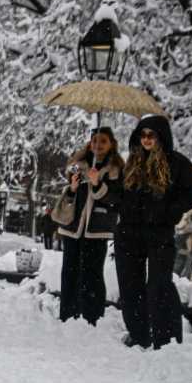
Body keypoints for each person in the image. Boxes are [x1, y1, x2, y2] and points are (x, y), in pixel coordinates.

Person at [115, 115, 192, 349]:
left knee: (159, 285)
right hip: (129, 233)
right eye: (142, 135)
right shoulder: (131, 163)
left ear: (161, 136)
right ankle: (139, 334)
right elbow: (118, 194)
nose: (146, 139)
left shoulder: (176, 163)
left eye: (150, 135)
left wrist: (170, 211)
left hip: (159, 233)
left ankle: (167, 339)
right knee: (130, 286)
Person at [55, 128, 123, 325]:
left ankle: (92, 316)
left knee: (92, 273)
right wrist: (73, 188)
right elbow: (69, 192)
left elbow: (115, 199)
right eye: (94, 141)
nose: (97, 145)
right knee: (69, 270)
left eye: (103, 141)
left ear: (111, 144)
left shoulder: (115, 169)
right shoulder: (78, 165)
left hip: (97, 229)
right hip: (73, 227)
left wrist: (97, 184)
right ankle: (68, 314)